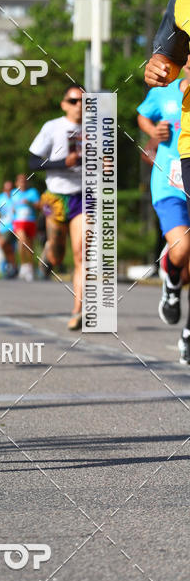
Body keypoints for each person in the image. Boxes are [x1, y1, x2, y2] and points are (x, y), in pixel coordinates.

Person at [137, 66, 190, 362]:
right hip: (170, 185)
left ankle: (189, 334)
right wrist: (151, 130)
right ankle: (171, 283)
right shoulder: (163, 92)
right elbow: (143, 115)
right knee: (182, 247)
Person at [28, 84, 83, 330]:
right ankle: (49, 252)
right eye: (73, 101)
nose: (79, 105)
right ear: (64, 104)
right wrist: (62, 163)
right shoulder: (52, 127)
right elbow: (32, 161)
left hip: (85, 196)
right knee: (58, 256)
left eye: (83, 101)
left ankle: (78, 310)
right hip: (56, 196)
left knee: (83, 254)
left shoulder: (99, 128)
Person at [11, 173, 41, 281]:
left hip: (31, 221)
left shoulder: (32, 193)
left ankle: (29, 267)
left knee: (30, 246)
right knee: (22, 241)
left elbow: (39, 205)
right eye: (20, 181)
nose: (22, 184)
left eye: (24, 181)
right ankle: (23, 265)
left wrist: (29, 203)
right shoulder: (14, 193)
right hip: (19, 221)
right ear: (17, 183)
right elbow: (11, 207)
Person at [0, 179, 18, 278]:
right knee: (7, 248)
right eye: (6, 189)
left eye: (10, 189)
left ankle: (12, 266)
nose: (8, 191)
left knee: (6, 245)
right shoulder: (0, 198)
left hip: (14, 226)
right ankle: (13, 266)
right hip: (3, 227)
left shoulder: (16, 196)